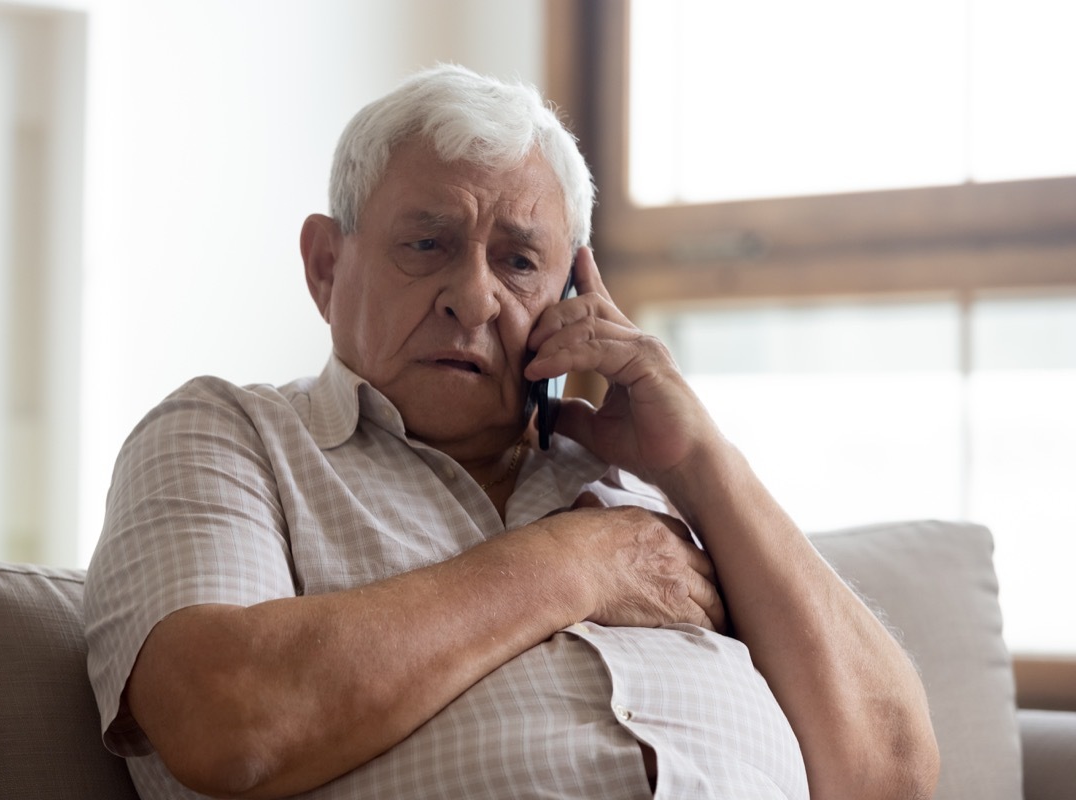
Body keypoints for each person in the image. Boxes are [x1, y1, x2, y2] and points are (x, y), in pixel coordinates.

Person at [85, 64, 939, 799]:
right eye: (428, 243)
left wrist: (704, 464)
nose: (476, 296)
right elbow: (227, 717)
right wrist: (581, 564)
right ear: (326, 266)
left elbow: (889, 775)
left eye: (520, 261)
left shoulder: (650, 484)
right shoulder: (230, 435)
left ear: (575, 292)